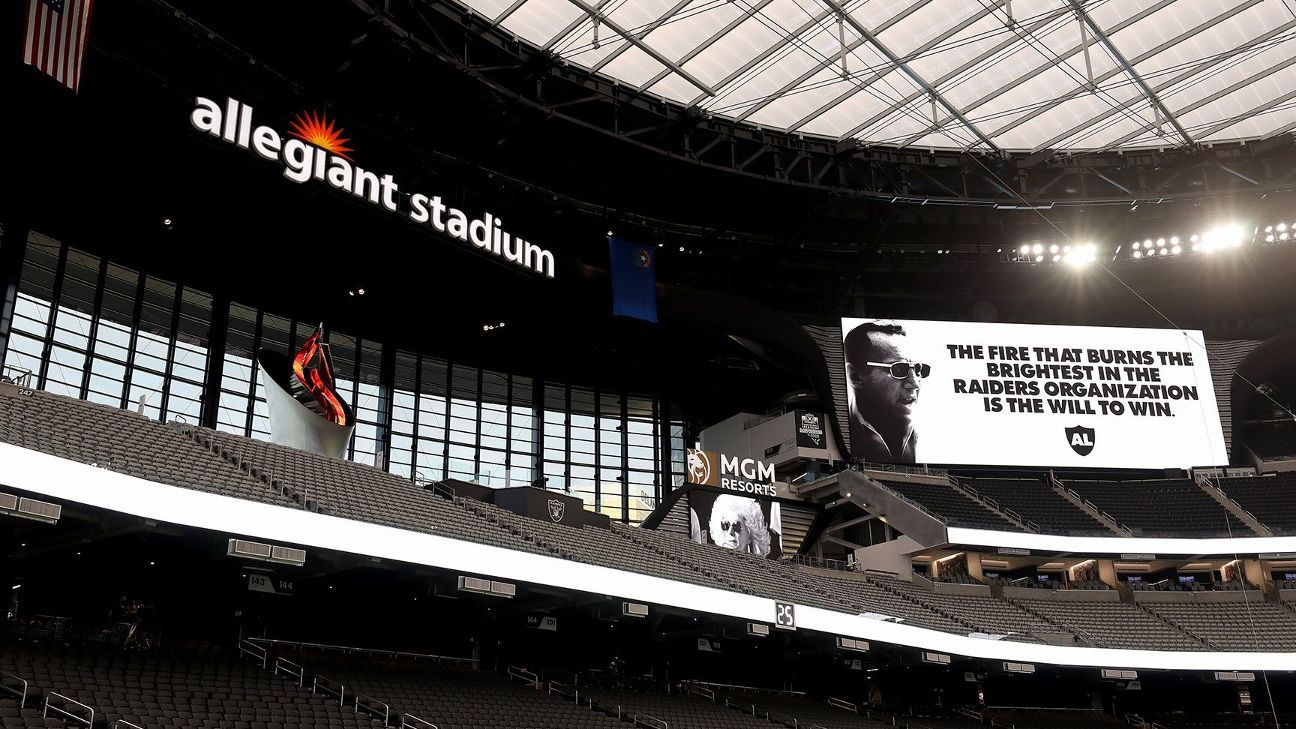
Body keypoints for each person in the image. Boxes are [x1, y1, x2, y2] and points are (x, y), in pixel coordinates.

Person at [843, 321, 927, 464]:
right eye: (899, 369)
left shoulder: (932, 442)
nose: (914, 383)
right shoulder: (840, 434)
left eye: (918, 369)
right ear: (855, 376)